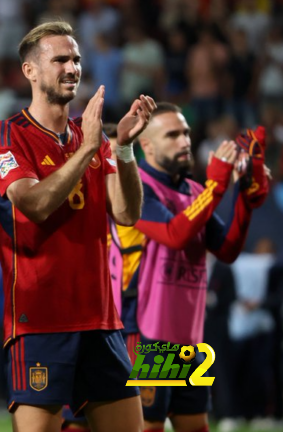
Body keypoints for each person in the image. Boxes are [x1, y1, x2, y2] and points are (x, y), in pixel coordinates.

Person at [0, 21, 156, 432]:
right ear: (31, 71)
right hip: (40, 322)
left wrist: (125, 148)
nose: (72, 67)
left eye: (76, 59)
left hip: (101, 321)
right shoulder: (5, 136)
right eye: (60, 59)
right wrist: (89, 150)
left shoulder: (90, 136)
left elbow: (127, 213)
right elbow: (35, 204)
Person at [108, 102, 270, 432]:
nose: (185, 141)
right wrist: (216, 189)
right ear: (147, 145)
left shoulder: (194, 191)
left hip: (188, 337)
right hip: (146, 333)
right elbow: (174, 234)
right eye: (172, 135)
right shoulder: (135, 188)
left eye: (186, 133)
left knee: (195, 425)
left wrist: (244, 199)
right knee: (148, 426)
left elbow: (226, 250)